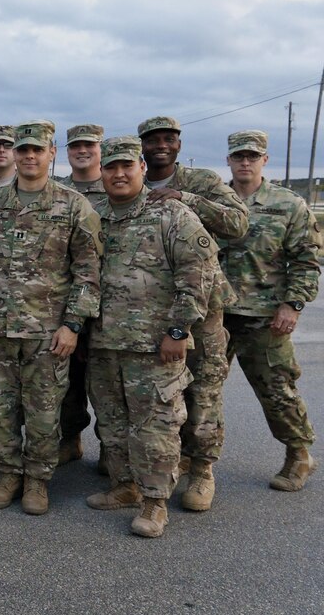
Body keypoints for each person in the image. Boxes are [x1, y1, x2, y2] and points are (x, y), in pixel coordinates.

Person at [86, 136, 219, 538]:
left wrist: (178, 331)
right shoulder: (95, 217)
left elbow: (199, 277)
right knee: (111, 423)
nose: (119, 173)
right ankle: (125, 486)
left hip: (155, 346)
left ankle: (155, 503)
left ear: (142, 168)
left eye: (127, 165)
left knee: (156, 426)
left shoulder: (172, 215)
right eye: (111, 167)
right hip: (105, 342)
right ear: (102, 172)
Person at [0, 120, 102, 515]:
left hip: (49, 332)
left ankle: (38, 480)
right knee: (0, 407)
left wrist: (73, 324)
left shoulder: (73, 205)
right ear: (12, 154)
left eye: (37, 150)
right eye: (22, 150)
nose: (29, 157)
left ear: (51, 154)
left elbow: (88, 271)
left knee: (45, 412)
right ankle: (8, 474)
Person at [140, 115, 248, 511]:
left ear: (179, 145)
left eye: (169, 139)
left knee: (203, 388)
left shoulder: (200, 181)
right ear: (143, 146)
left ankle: (202, 469)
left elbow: (238, 223)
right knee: (162, 391)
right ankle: (168, 461)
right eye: (153, 140)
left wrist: (185, 199)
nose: (161, 146)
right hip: (150, 308)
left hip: (203, 308)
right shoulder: (131, 181)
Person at [220, 130, 321, 491]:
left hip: (265, 317)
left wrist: (293, 304)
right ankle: (194, 456)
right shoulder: (215, 201)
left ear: (264, 160)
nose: (245, 162)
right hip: (216, 315)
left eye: (252, 156)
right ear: (229, 160)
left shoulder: (288, 204)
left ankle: (299, 454)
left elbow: (307, 261)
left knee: (277, 390)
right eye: (238, 156)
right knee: (198, 391)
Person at [56, 124, 107, 466]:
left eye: (89, 145)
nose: (82, 151)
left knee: (106, 382)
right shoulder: (60, 193)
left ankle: (110, 448)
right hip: (70, 300)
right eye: (76, 146)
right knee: (68, 379)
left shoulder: (119, 185)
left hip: (113, 304)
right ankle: (70, 437)